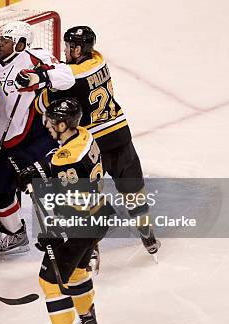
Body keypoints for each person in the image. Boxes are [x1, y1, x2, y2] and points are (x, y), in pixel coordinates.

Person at [36, 26, 160, 257]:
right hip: (121, 135)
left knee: (87, 200)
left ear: (77, 48)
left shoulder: (69, 77)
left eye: (68, 46)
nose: (65, 50)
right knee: (133, 189)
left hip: (93, 145)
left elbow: (43, 106)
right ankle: (147, 234)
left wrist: (45, 79)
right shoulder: (99, 60)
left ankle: (90, 248)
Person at [19, 98, 112, 324]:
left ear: (62, 125)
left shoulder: (65, 159)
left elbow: (63, 196)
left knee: (49, 282)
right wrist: (39, 171)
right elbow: (62, 161)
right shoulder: (85, 136)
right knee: (77, 273)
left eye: (51, 122)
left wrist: (53, 231)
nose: (47, 125)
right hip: (100, 215)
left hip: (78, 224)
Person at [0, 20, 74, 253]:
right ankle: (16, 234)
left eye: (6, 40)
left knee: (49, 185)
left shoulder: (35, 58)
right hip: (3, 141)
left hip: (33, 137)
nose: (0, 44)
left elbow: (67, 77)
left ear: (21, 44)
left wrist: (38, 78)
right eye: (1, 39)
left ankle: (73, 234)